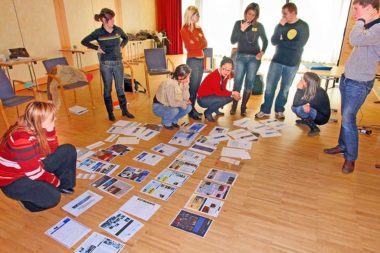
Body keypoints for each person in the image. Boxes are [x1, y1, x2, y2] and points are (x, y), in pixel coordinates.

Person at [324, 0, 380, 174]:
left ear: (369, 8)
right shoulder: (371, 27)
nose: (355, 14)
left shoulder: (377, 28)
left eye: (357, 10)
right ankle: (342, 145)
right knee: (345, 116)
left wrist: (361, 20)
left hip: (359, 82)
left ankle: (350, 158)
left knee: (348, 118)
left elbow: (353, 38)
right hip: (349, 78)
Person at [0, 102, 76, 212]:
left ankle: (63, 186)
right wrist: (55, 181)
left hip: (28, 167)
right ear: (41, 121)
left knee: (68, 150)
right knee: (53, 198)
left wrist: (50, 130)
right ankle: (28, 203)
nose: (55, 119)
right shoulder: (21, 141)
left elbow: (50, 152)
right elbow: (35, 173)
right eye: (52, 117)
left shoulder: (33, 125)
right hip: (13, 180)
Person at [256, 3, 309, 120]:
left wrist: (282, 41)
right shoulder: (281, 25)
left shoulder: (303, 26)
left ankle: (279, 110)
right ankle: (265, 110)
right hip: (277, 61)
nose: (283, 16)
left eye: (285, 13)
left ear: (293, 12)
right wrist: (280, 27)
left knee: (285, 89)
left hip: (292, 63)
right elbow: (274, 41)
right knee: (270, 87)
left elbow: (299, 45)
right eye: (283, 13)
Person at [81, 8, 134, 121]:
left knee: (120, 88)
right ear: (103, 20)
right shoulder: (98, 33)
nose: (113, 21)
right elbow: (84, 41)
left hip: (118, 63)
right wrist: (96, 48)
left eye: (113, 18)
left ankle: (125, 111)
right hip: (105, 65)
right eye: (110, 19)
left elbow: (125, 38)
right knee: (107, 89)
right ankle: (110, 113)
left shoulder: (117, 30)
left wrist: (121, 45)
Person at [230, 2, 268, 116]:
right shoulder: (238, 23)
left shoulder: (259, 26)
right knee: (237, 82)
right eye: (249, 13)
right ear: (245, 12)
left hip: (254, 58)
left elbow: (265, 41)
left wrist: (262, 52)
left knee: (249, 83)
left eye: (253, 15)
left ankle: (243, 107)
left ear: (256, 16)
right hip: (240, 56)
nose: (250, 17)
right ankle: (234, 106)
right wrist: (241, 29)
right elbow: (232, 40)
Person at [181, 6, 208, 120]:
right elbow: (190, 46)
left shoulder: (199, 28)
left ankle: (192, 108)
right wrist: (198, 42)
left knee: (196, 87)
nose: (198, 16)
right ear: (191, 15)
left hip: (201, 60)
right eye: (196, 14)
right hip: (193, 61)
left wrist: (197, 42)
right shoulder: (184, 29)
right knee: (192, 87)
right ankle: (190, 110)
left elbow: (205, 43)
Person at [197, 57, 241, 122]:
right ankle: (207, 113)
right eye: (224, 69)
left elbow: (223, 90)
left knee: (230, 98)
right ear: (220, 67)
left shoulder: (225, 75)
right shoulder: (215, 75)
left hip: (212, 95)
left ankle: (215, 109)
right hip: (202, 99)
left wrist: (233, 95)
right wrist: (233, 93)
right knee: (223, 99)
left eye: (229, 70)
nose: (226, 72)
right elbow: (219, 93)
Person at [152, 64, 192, 130]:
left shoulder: (181, 81)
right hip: (159, 106)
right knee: (174, 110)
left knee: (188, 107)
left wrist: (185, 87)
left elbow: (186, 98)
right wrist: (184, 103)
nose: (189, 78)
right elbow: (172, 104)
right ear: (180, 77)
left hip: (170, 104)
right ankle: (166, 122)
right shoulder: (170, 84)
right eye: (188, 77)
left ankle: (173, 121)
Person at [292, 72, 331, 136]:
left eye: (302, 78)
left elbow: (296, 103)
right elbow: (296, 104)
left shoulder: (318, 93)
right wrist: (306, 104)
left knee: (299, 109)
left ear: (306, 82)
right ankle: (306, 120)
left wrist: (299, 89)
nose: (301, 78)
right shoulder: (311, 88)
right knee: (294, 108)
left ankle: (314, 127)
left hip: (322, 118)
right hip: (316, 111)